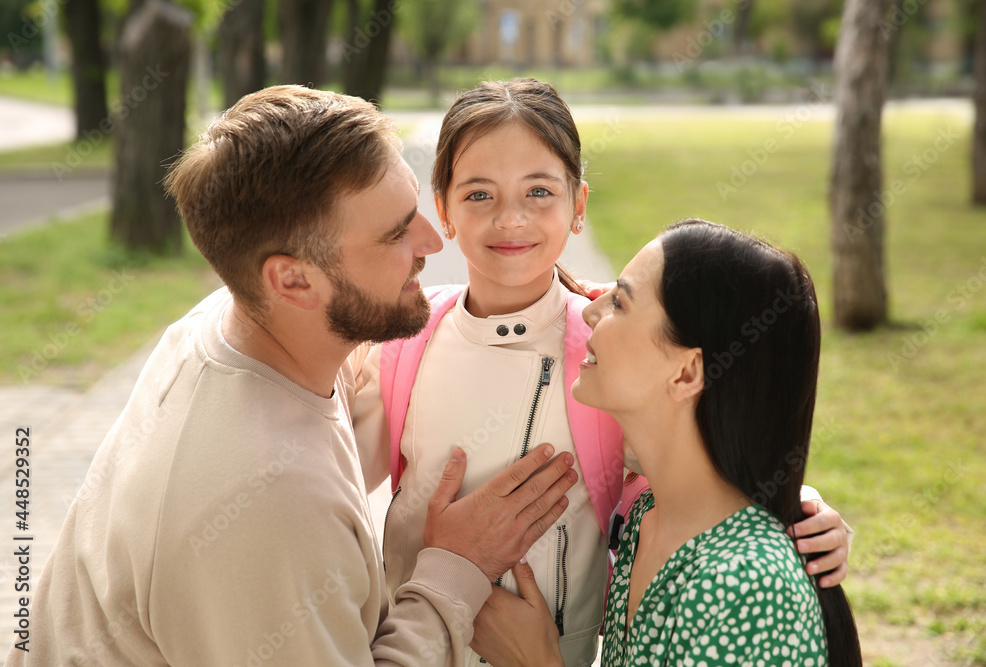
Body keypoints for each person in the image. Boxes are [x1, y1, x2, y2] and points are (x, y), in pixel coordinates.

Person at [6, 85, 581, 666]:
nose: (432, 242)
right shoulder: (265, 504)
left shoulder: (227, 320)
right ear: (294, 282)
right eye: (395, 234)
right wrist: (455, 571)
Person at [351, 79, 853, 667]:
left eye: (539, 191)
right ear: (444, 210)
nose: (511, 218)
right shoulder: (404, 343)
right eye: (479, 195)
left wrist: (803, 511)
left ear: (579, 206)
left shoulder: (608, 352)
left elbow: (702, 465)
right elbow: (331, 480)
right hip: (418, 645)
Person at [471, 219, 863, 666]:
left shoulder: (745, 585)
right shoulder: (645, 520)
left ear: (686, 373)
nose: (590, 312)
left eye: (619, 302)